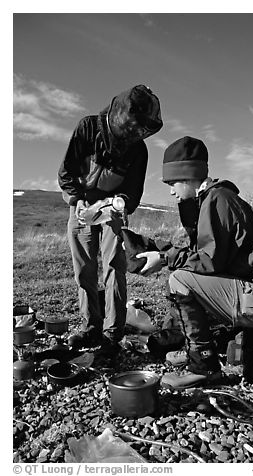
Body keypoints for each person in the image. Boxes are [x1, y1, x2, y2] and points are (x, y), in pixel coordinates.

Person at [136, 136, 253, 389]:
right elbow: (206, 256)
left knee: (179, 280)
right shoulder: (214, 199)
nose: (171, 190)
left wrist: (165, 259)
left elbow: (209, 261)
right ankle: (194, 350)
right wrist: (166, 253)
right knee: (184, 275)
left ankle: (204, 368)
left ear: (189, 177)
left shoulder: (218, 200)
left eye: (172, 182)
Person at [58, 85, 163, 358]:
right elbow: (67, 171)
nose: (133, 133)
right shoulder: (87, 128)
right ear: (118, 115)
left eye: (140, 130)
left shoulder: (138, 150)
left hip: (112, 211)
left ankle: (111, 332)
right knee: (84, 269)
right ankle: (90, 325)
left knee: (115, 266)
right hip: (80, 206)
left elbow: (133, 190)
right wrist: (76, 199)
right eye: (131, 126)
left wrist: (120, 204)